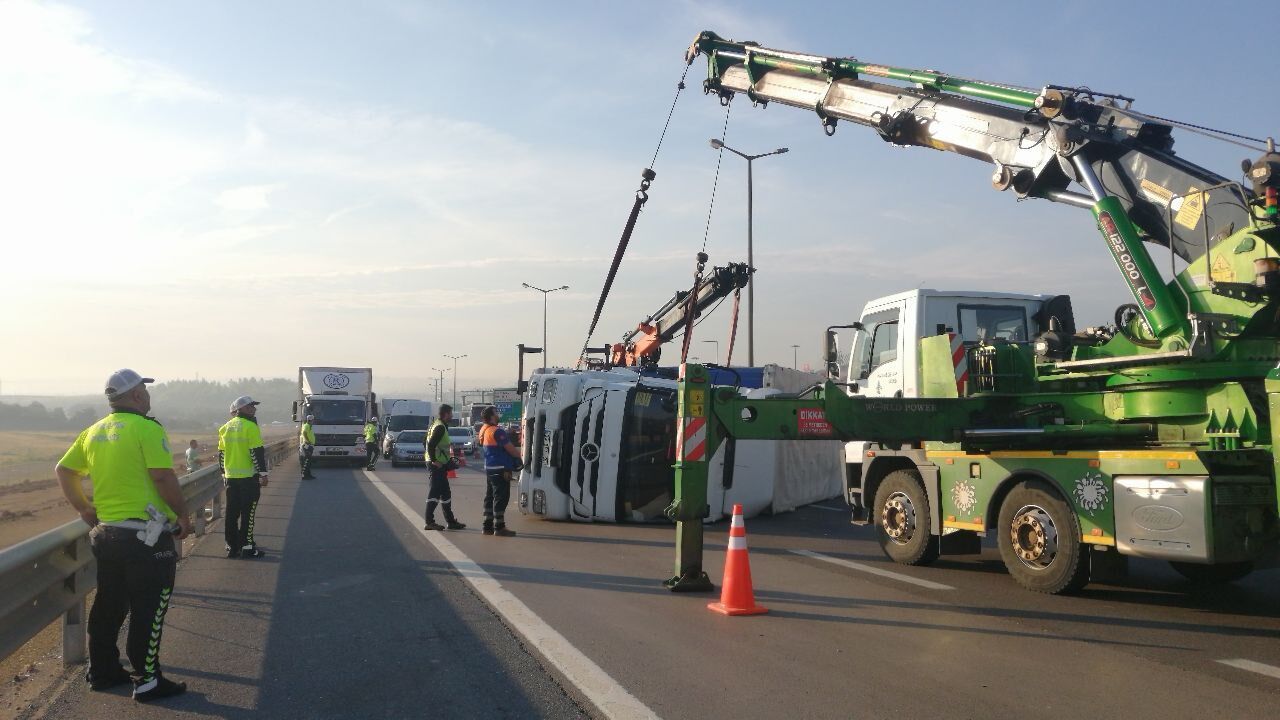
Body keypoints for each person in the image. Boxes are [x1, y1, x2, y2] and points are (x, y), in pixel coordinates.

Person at [54, 369, 192, 703]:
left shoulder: (93, 432)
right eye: (145, 390)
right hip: (146, 538)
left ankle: (102, 672)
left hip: (107, 534)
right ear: (137, 395)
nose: (148, 395)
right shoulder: (147, 428)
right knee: (149, 608)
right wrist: (183, 515)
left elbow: (64, 470)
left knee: (109, 604)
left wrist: (84, 509)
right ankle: (147, 680)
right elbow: (161, 477)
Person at [218, 396, 268, 559]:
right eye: (250, 406)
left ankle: (232, 547)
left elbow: (221, 455)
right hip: (248, 478)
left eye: (254, 406)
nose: (253, 409)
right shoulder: (250, 426)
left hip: (231, 478)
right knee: (248, 513)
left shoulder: (225, 428)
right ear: (240, 409)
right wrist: (263, 474)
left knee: (231, 513)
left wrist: (224, 473)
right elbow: (256, 452)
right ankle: (247, 547)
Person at [478, 406, 522, 536]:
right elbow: (510, 449)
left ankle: (487, 526)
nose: (498, 414)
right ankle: (499, 527)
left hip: (490, 468)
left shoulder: (484, 430)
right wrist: (519, 458)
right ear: (492, 416)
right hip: (500, 468)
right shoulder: (497, 432)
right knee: (501, 497)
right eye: (496, 412)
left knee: (490, 496)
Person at [424, 405, 465, 531]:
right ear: (446, 414)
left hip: (439, 464)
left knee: (446, 493)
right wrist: (434, 460)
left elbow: (424, 441)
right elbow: (430, 444)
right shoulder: (440, 427)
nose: (452, 416)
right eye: (451, 413)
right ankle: (429, 522)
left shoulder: (435, 424)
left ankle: (451, 521)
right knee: (434, 493)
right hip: (436, 465)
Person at [299, 414, 316, 480]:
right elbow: (304, 433)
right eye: (313, 420)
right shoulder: (307, 426)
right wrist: (308, 441)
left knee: (309, 461)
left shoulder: (309, 426)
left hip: (310, 445)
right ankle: (304, 475)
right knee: (307, 461)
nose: (313, 421)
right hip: (307, 445)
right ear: (311, 420)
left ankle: (308, 475)